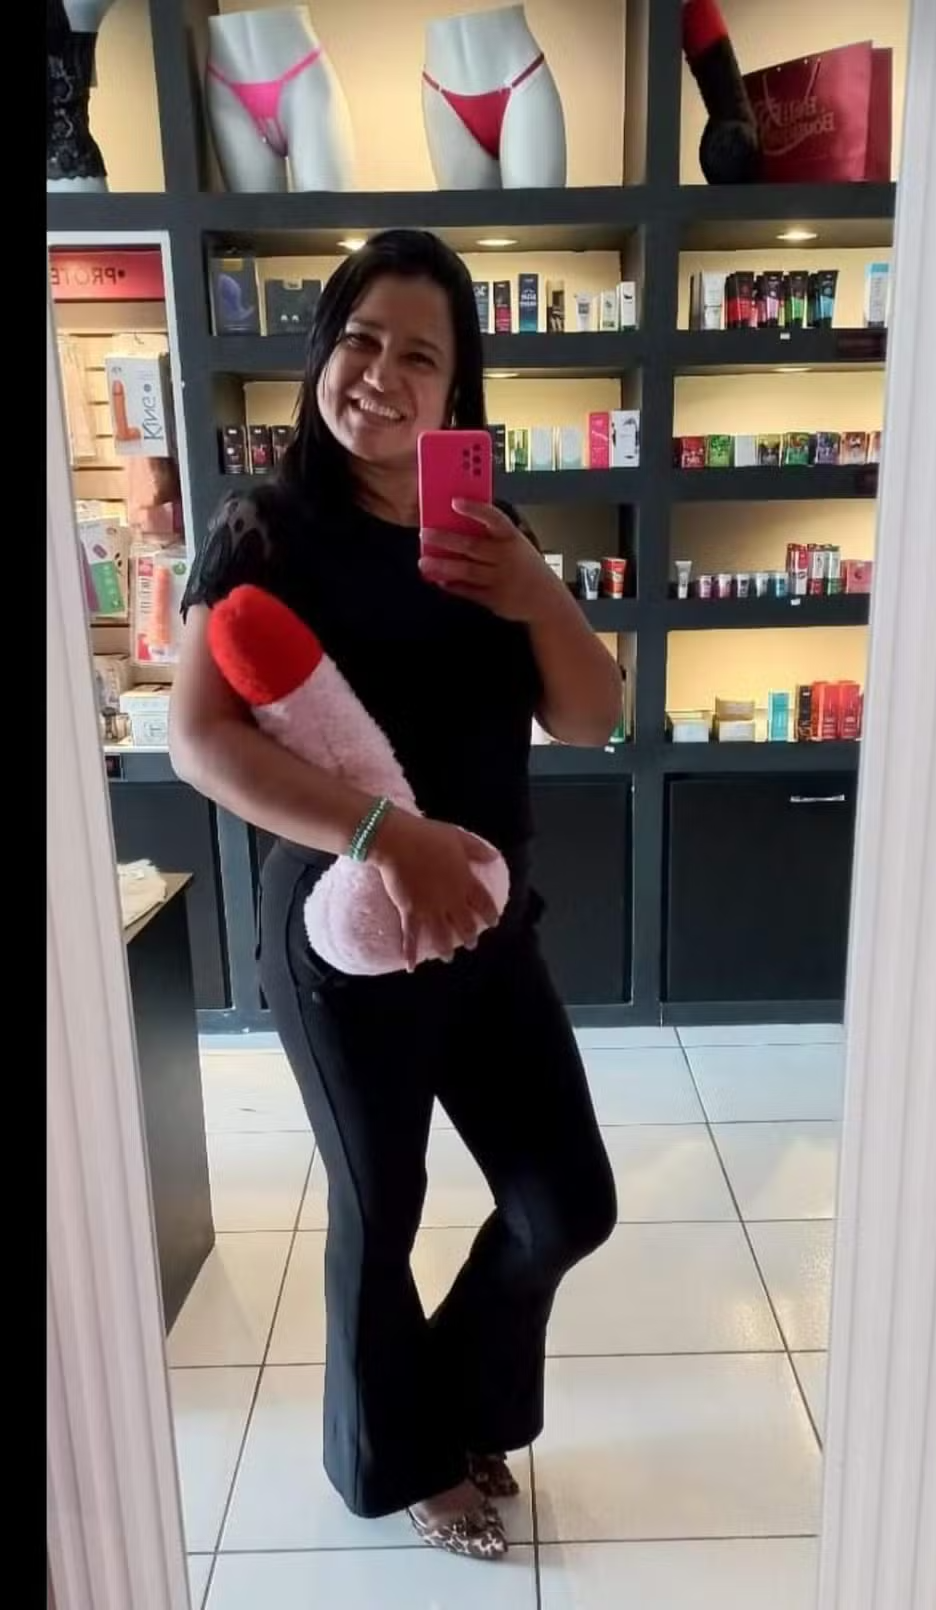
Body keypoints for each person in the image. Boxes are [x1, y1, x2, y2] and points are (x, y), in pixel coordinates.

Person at [169, 228, 620, 1561]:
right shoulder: (262, 526)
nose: (381, 373)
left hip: (485, 926)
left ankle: (460, 1402)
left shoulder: (488, 531)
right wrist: (381, 833)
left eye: (420, 354)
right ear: (322, 350)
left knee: (566, 1201)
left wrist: (537, 592)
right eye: (360, 338)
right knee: (383, 1212)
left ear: (457, 388)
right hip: (340, 935)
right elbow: (201, 738)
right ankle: (402, 1461)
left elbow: (589, 717)